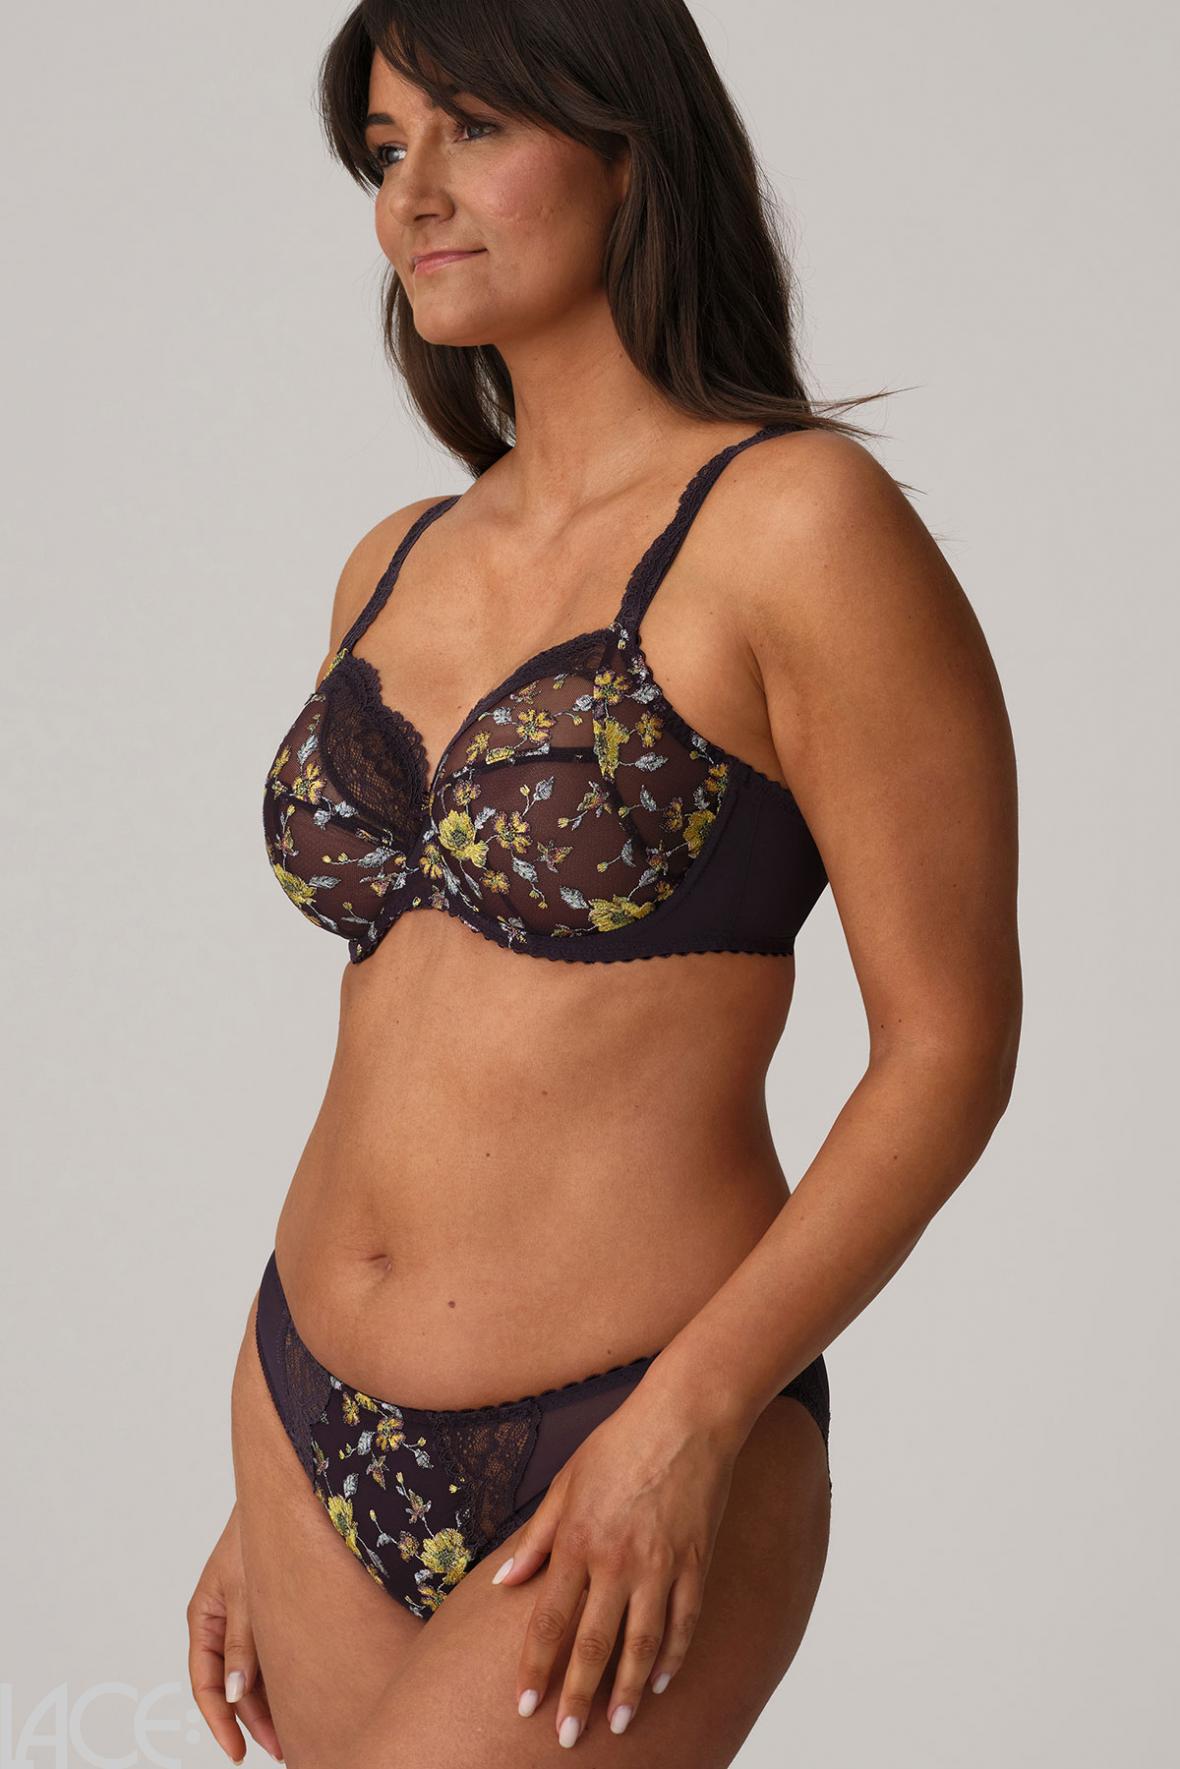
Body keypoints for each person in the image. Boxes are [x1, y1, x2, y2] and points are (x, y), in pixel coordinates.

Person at [186, 3, 1022, 1764]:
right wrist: (260, 1494)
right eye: (386, 148)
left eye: (475, 129)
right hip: (300, 1414)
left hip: (628, 1415)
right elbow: (402, 1020)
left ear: (631, 148)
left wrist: (692, 1420)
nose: (415, 192)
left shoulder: (800, 525)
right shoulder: (391, 562)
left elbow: (949, 1045)